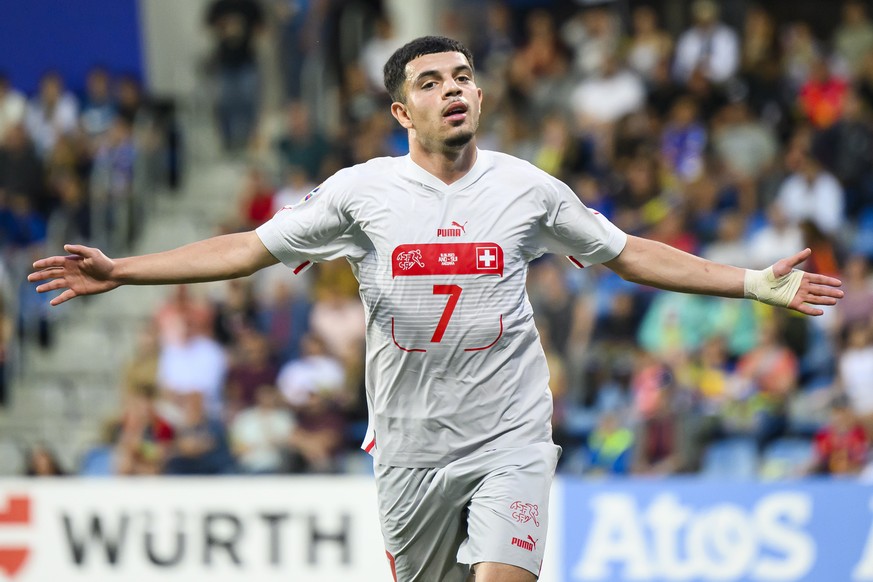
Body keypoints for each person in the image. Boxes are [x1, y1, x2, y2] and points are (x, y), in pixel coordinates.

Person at [28, 36, 844, 582]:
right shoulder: (359, 194)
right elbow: (247, 247)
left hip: (510, 437)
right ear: (400, 114)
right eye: (430, 83)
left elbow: (628, 252)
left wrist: (749, 282)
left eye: (460, 78)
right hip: (410, 449)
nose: (452, 90)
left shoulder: (528, 189)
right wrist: (126, 271)